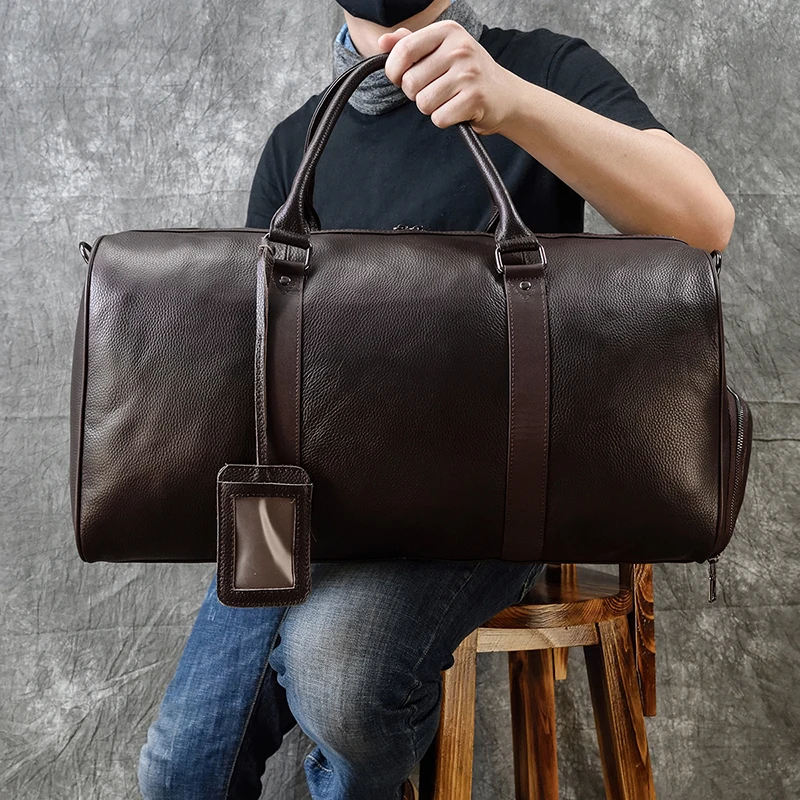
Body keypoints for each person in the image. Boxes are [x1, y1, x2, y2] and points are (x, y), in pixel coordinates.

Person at [138, 2, 734, 799]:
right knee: (181, 765)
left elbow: (704, 223)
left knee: (339, 680)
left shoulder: (543, 70)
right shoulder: (299, 142)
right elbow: (259, 365)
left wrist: (513, 104)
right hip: (304, 501)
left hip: (485, 499)